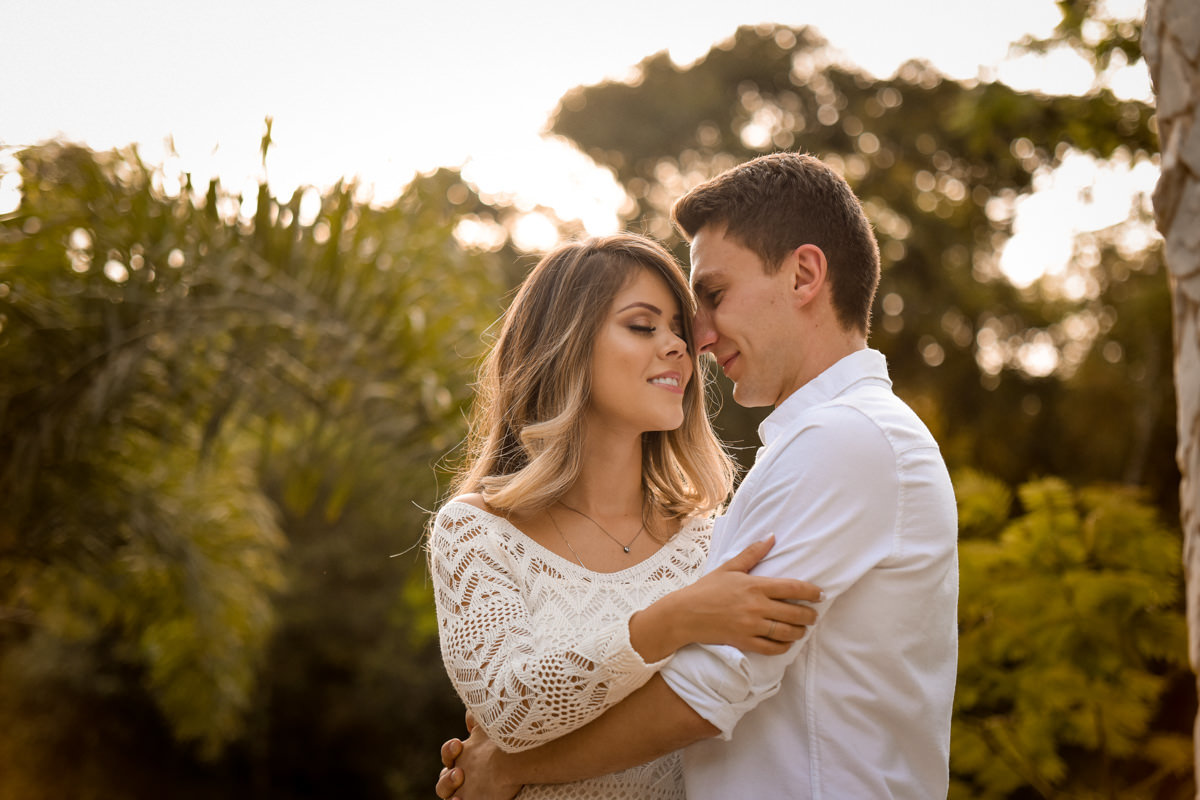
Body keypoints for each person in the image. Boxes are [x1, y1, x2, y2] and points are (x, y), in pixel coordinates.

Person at [436, 152, 959, 800]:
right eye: (647, 325)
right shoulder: (822, 445)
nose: (696, 340)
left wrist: (512, 768)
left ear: (803, 275)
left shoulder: (843, 442)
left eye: (711, 297)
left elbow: (709, 688)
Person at [427, 232, 824, 799]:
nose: (679, 347)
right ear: (565, 347)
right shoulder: (477, 532)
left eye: (679, 330)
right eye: (642, 326)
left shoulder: (711, 542)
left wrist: (507, 768)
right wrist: (675, 620)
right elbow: (510, 709)